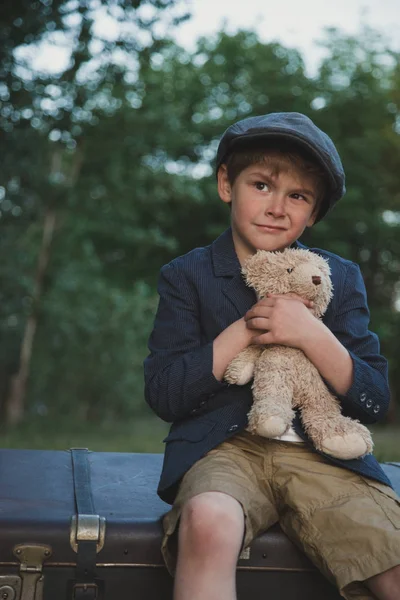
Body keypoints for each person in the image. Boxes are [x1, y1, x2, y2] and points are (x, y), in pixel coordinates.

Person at [143, 112, 400, 600]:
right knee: (208, 521)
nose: (277, 207)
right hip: (225, 451)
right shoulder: (187, 275)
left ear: (314, 214)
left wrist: (311, 334)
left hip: (322, 455)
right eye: (261, 185)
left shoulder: (336, 278)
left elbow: (375, 401)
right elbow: (165, 395)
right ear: (226, 184)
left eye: (298, 196)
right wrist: (246, 328)